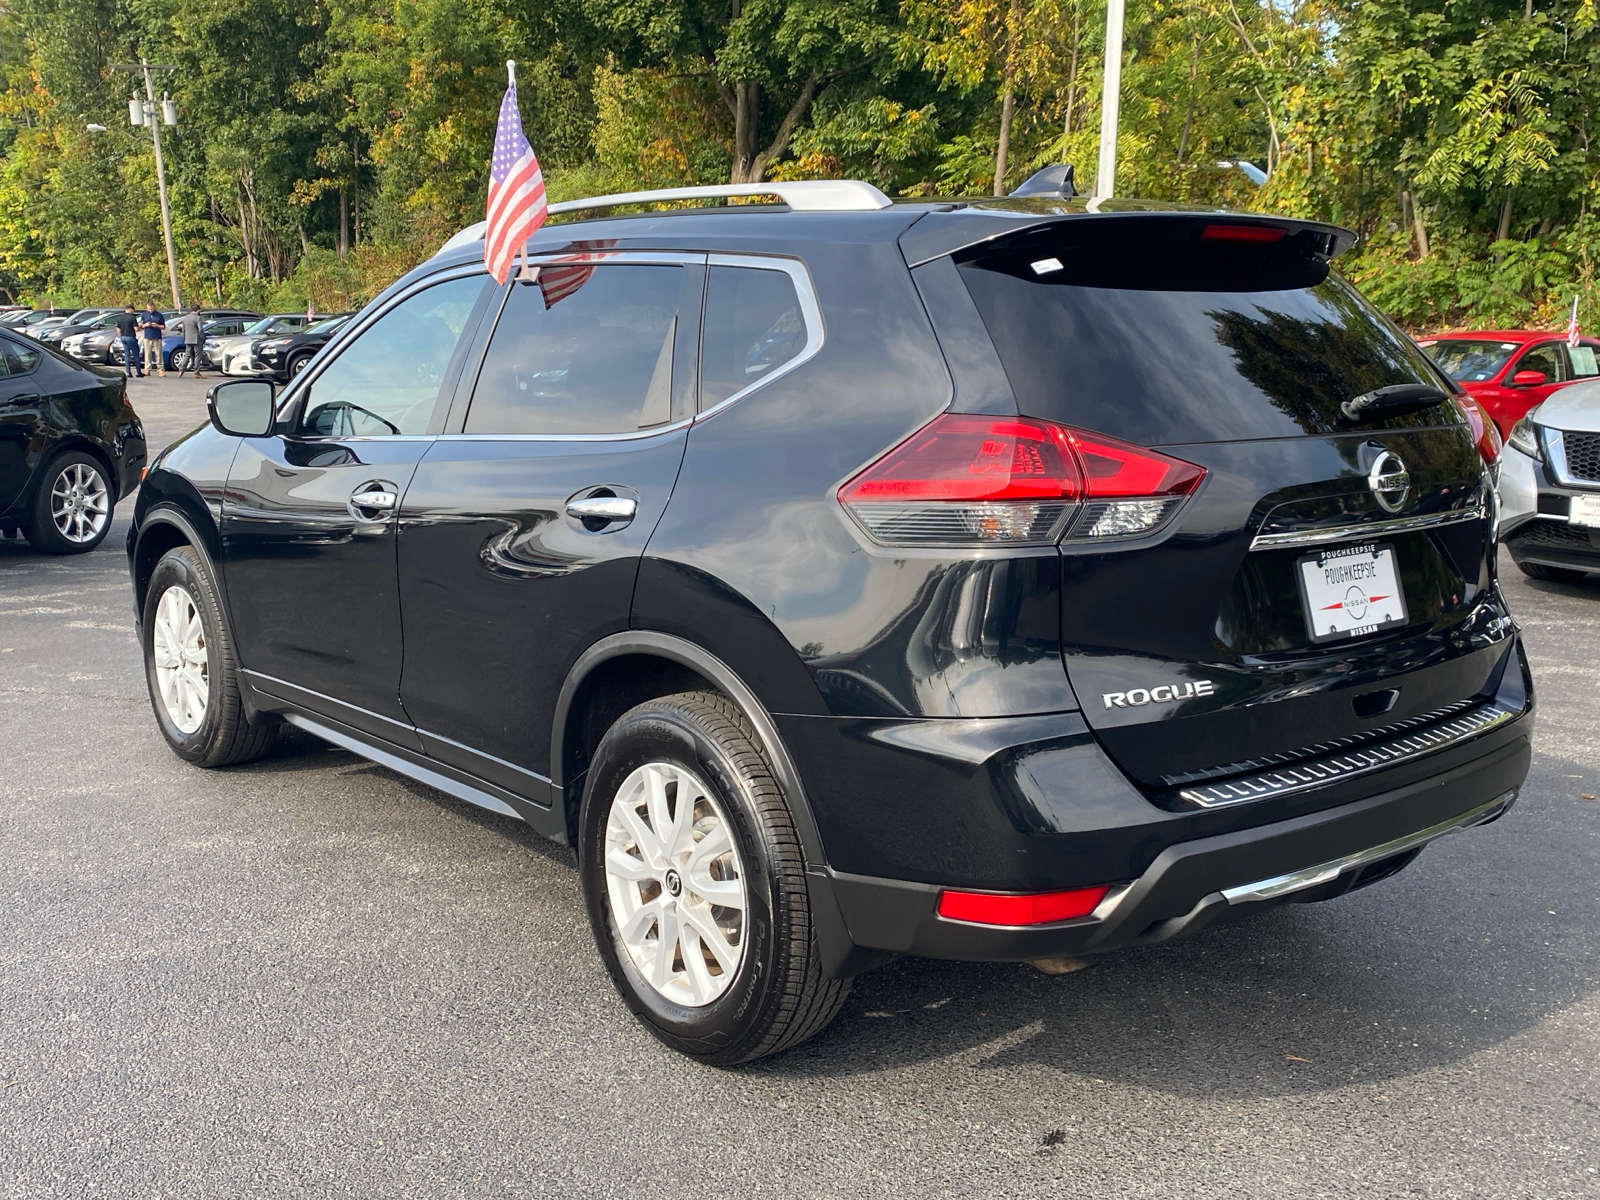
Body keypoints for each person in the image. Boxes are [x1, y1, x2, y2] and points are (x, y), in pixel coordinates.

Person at [175, 304, 205, 379]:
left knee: (187, 355)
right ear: (198, 310)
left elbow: (183, 330)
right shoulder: (198, 318)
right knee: (198, 355)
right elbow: (200, 329)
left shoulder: (185, 318)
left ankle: (181, 370)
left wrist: (185, 338)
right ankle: (197, 372)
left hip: (188, 339)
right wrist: (202, 338)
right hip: (196, 339)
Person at [138, 304, 165, 377]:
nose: (150, 311)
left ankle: (160, 370)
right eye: (149, 309)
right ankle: (147, 370)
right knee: (147, 354)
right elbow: (140, 326)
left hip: (157, 337)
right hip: (147, 336)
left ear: (154, 307)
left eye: (152, 309)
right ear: (147, 308)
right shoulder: (144, 315)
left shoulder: (159, 315)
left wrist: (157, 325)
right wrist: (145, 325)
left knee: (158, 354)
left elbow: (163, 326)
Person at [115, 305, 142, 378]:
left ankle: (128, 372)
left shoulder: (120, 318)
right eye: (133, 310)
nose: (133, 312)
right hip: (131, 337)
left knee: (127, 355)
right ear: (130, 309)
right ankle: (138, 372)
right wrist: (140, 326)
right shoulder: (132, 318)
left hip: (123, 337)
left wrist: (120, 336)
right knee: (136, 355)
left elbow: (118, 328)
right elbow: (136, 329)